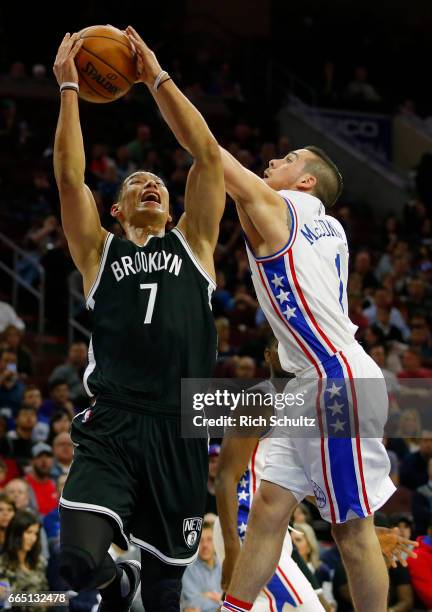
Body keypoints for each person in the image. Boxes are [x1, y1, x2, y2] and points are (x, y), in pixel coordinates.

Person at [53, 25, 224, 612]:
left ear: (172, 205)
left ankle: (136, 587)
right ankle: (112, 583)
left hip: (180, 427)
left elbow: (205, 153)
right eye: (135, 183)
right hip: (114, 423)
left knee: (165, 594)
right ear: (118, 209)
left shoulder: (195, 244)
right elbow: (69, 178)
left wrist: (155, 77)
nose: (149, 183)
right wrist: (71, 87)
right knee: (74, 562)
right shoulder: (99, 253)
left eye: (156, 182)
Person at [217, 141, 396, 611]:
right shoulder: (329, 226)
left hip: (334, 378)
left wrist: (157, 80)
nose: (273, 160)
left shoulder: (286, 206)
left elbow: (210, 153)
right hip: (312, 379)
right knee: (270, 507)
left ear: (306, 182)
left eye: (288, 159)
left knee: (351, 529)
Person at [215, 337, 326, 611]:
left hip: (273, 529)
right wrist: (232, 550)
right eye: (281, 344)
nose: (290, 350)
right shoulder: (258, 399)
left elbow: (307, 487)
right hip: (245, 525)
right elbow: (225, 477)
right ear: (267, 355)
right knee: (309, 608)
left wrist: (361, 528)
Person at [0, 509, 48, 611]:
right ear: (16, 533)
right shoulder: (2, 564)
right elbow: (5, 599)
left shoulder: (39, 562)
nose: (33, 538)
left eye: (35, 533)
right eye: (29, 532)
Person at [181, 521, 222, 612]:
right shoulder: (188, 569)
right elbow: (192, 602)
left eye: (209, 539)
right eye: (200, 541)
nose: (205, 545)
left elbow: (231, 597)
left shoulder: (222, 564)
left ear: (216, 541)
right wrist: (219, 599)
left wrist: (206, 595)